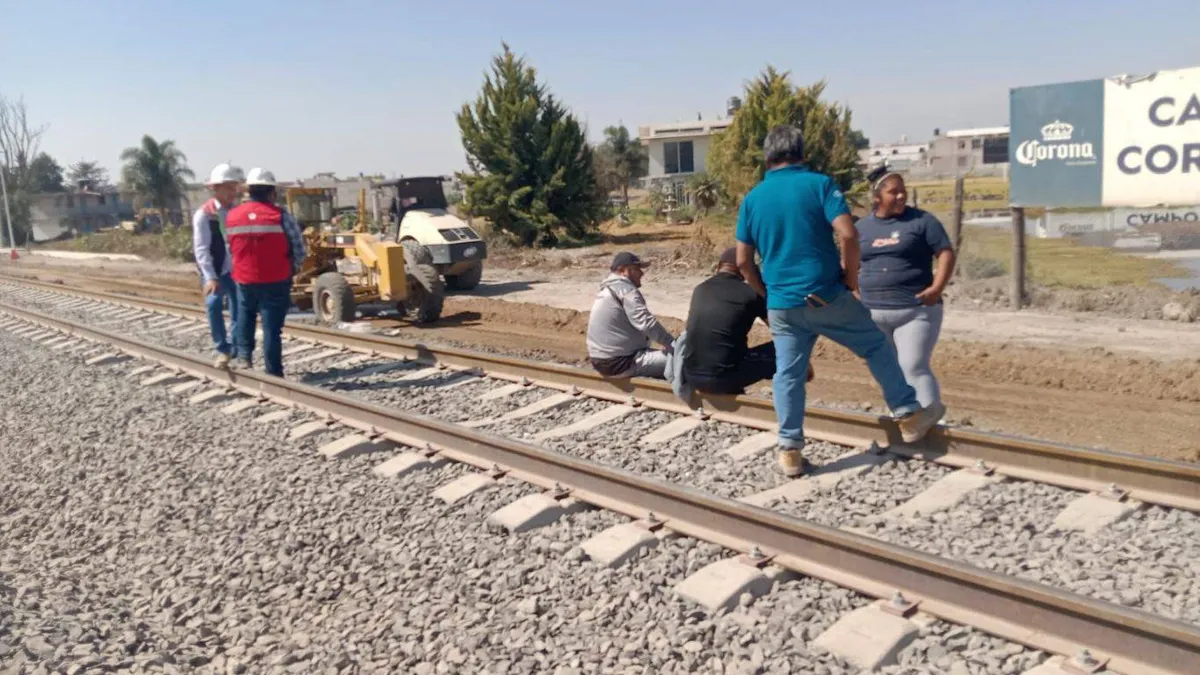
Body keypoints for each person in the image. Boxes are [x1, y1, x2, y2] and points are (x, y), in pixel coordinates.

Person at [735, 124, 942, 477]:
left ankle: (789, 450)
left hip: (782, 305)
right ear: (801, 152)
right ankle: (907, 413)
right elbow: (848, 234)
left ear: (767, 157)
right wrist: (849, 278)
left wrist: (764, 291)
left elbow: (742, 261)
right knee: (875, 345)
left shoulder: (753, 199)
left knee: (788, 374)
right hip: (825, 295)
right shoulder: (820, 185)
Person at [857, 168, 955, 412]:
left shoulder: (923, 222)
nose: (901, 196)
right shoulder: (862, 228)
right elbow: (848, 264)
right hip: (873, 313)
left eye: (903, 191)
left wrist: (937, 287)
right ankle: (904, 418)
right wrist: (853, 294)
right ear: (877, 197)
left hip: (915, 311)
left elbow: (945, 253)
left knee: (912, 366)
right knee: (888, 370)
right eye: (894, 192)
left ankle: (930, 417)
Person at [682, 247, 813, 395]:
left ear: (719, 266)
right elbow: (781, 328)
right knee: (787, 345)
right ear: (746, 269)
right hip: (723, 379)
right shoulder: (751, 293)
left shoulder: (700, 289)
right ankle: (791, 395)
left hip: (691, 375)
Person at [226, 168, 306, 377]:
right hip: (276, 278)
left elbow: (230, 247)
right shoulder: (280, 216)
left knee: (246, 315)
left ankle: (244, 357)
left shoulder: (233, 216)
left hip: (244, 278)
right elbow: (298, 246)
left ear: (249, 191)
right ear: (271, 193)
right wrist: (295, 267)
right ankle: (273, 371)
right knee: (271, 328)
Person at [586, 252, 675, 379]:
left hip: (600, 361)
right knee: (684, 361)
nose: (641, 273)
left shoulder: (607, 289)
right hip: (622, 363)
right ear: (624, 270)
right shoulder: (626, 290)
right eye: (637, 269)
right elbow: (645, 322)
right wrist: (672, 344)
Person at [192, 163, 244, 368]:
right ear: (215, 189)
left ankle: (237, 348)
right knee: (214, 305)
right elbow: (201, 248)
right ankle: (223, 349)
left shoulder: (238, 212)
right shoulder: (204, 215)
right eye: (228, 188)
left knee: (239, 307)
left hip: (236, 270)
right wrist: (210, 276)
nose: (233, 192)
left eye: (234, 188)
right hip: (215, 269)